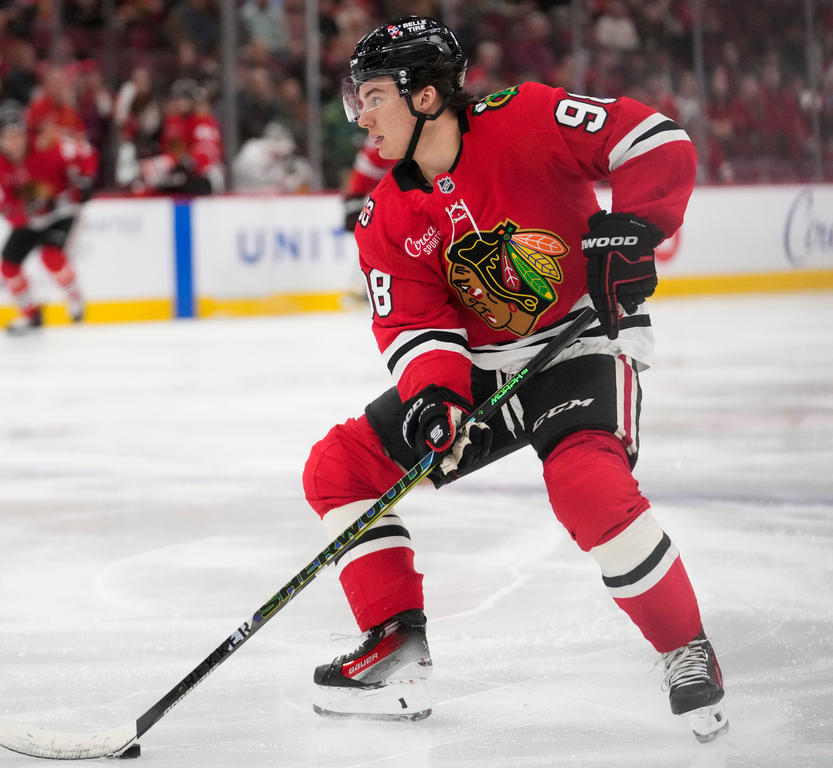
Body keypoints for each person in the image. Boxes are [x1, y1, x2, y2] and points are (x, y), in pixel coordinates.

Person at [302, 16, 729, 745]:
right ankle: (396, 644)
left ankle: (684, 647)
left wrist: (635, 225)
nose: (360, 116)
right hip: (483, 372)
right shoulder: (385, 215)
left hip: (579, 344)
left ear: (428, 97)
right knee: (340, 468)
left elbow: (655, 140)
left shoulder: (527, 117)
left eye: (373, 96)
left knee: (586, 482)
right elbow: (414, 325)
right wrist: (435, 396)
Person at [0, 110, 98, 334]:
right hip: (32, 219)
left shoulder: (48, 147)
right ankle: (32, 315)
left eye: (18, 135)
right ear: (0, 139)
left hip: (63, 212)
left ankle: (74, 296)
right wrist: (24, 212)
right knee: (8, 266)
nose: (14, 142)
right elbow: (6, 209)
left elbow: (86, 152)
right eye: (8, 136)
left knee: (51, 256)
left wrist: (86, 178)